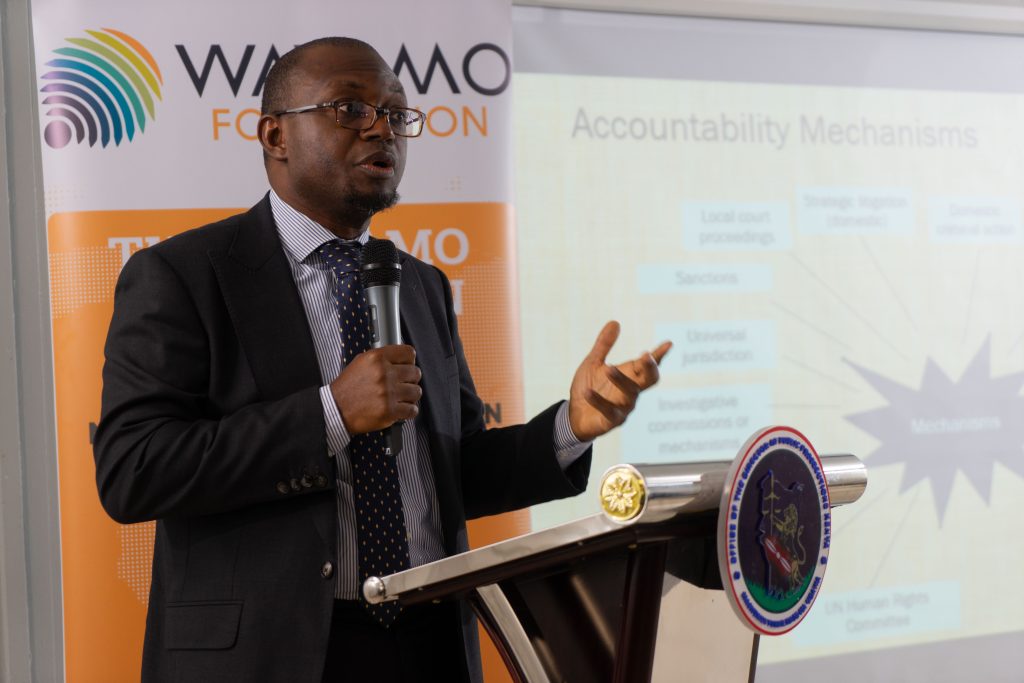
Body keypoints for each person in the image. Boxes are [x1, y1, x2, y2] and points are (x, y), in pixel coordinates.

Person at [93, 36, 671, 683]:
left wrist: (570, 427)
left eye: (396, 114)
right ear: (275, 136)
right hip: (272, 655)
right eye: (350, 109)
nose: (381, 130)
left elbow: (456, 473)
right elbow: (132, 470)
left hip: (428, 644)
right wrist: (330, 414)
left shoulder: (419, 283)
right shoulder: (184, 275)